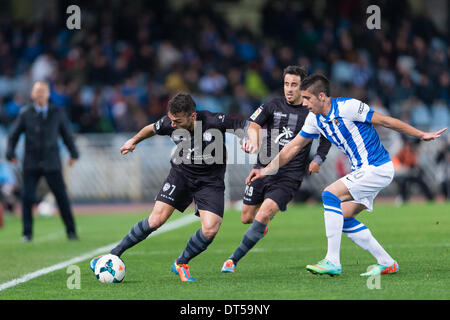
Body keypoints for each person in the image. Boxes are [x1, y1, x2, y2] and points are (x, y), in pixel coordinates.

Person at [248, 74, 447, 277]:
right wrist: (266, 169)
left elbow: (385, 121)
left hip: (377, 168)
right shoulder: (313, 119)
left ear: (322, 96)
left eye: (307, 98)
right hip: (362, 171)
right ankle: (387, 262)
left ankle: (332, 261)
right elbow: (294, 146)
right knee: (343, 217)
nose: (304, 103)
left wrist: (421, 135)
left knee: (329, 194)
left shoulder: (348, 107)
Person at [90, 92, 249, 282]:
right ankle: (113, 254)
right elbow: (150, 129)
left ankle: (181, 263)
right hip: (181, 175)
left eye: (177, 121)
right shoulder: (170, 122)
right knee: (156, 220)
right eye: (171, 120)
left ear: (193, 116)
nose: (172, 124)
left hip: (210, 181)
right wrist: (133, 141)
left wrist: (249, 138)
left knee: (210, 229)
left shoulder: (214, 121)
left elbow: (245, 125)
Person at [221, 66, 332, 273]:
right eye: (286, 84)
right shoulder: (273, 105)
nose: (289, 89)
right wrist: (252, 142)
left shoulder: (311, 111)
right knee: (247, 217)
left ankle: (232, 260)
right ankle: (262, 224)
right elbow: (253, 125)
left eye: (294, 85)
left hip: (288, 177)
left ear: (303, 87)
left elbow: (326, 137)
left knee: (263, 214)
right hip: (262, 169)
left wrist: (318, 158)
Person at [6, 81, 79, 242]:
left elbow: (67, 135)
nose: (40, 94)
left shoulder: (57, 112)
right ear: (32, 94)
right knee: (27, 197)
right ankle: (27, 233)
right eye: (37, 91)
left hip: (52, 162)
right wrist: (10, 152)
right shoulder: (25, 113)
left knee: (61, 197)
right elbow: (14, 135)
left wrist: (74, 153)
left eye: (43, 91)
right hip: (31, 162)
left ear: (48, 94)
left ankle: (71, 231)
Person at [392, 137, 434, 204]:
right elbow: (398, 162)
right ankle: (403, 198)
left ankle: (430, 199)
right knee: (403, 183)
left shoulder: (414, 151)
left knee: (422, 183)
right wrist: (403, 168)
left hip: (413, 173)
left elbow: (416, 165)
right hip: (405, 173)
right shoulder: (406, 151)